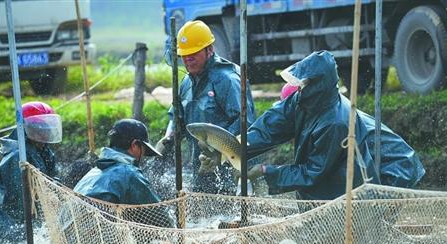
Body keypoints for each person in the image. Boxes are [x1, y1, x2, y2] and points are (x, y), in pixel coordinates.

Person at [244, 50, 381, 200]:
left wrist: (266, 171)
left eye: (303, 85)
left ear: (317, 86)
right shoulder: (302, 100)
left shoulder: (337, 123)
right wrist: (238, 146)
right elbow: (273, 124)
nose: (299, 89)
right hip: (318, 195)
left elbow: (312, 172)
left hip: (345, 199)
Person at [155, 20, 256, 194]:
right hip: (200, 166)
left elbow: (245, 122)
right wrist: (168, 138)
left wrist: (219, 152)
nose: (188, 59)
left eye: (194, 53)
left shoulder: (227, 80)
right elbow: (177, 116)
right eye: (184, 55)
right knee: (202, 213)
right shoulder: (187, 82)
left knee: (233, 213)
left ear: (209, 50)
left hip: (230, 167)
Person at [280, 83, 425, 188]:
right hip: (396, 165)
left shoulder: (333, 123)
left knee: (369, 224)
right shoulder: (330, 112)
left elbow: (321, 171)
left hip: (397, 168)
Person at [0, 101, 62, 243]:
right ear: (25, 129)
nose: (43, 133)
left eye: (45, 128)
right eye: (38, 129)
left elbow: (53, 180)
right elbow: (19, 202)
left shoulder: (45, 152)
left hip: (29, 223)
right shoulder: (16, 158)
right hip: (6, 230)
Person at [74, 119, 175, 228]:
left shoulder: (93, 172)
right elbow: (161, 219)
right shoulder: (129, 173)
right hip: (92, 240)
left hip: (64, 240)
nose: (142, 157)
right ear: (135, 145)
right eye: (143, 150)